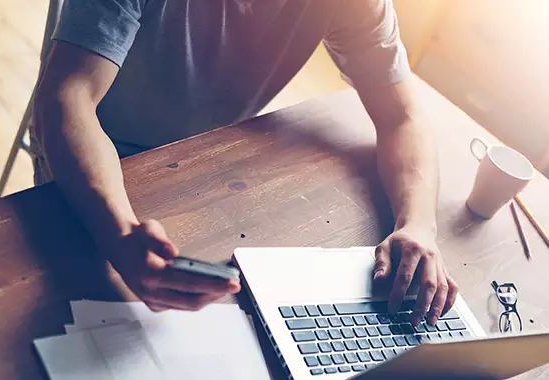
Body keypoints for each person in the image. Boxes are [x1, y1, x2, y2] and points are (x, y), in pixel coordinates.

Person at [32, 0, 458, 325]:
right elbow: (68, 99)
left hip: (205, 162)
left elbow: (402, 115)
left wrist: (418, 223)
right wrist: (119, 232)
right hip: (92, 161)